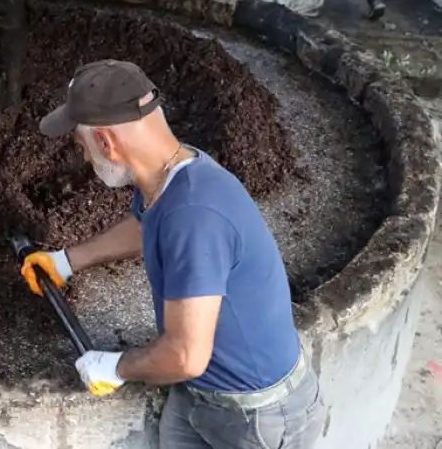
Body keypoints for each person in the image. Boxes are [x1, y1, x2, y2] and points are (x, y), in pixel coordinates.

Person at [20, 59, 327, 449]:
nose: (84, 158)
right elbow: (149, 225)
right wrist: (67, 260)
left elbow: (185, 356)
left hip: (256, 420)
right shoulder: (176, 173)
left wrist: (116, 367)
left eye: (81, 147)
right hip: (198, 394)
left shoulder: (195, 215)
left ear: (105, 142)